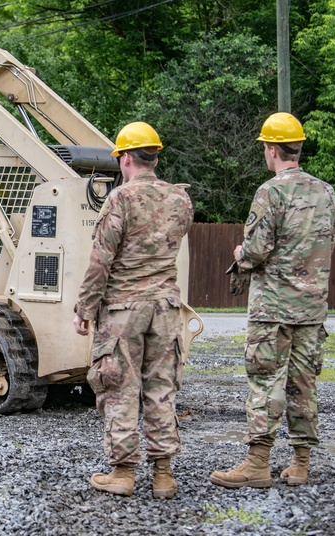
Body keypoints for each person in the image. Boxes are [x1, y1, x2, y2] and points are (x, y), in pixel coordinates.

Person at [210, 112, 335, 489]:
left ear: (271, 149)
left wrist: (240, 252)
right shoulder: (326, 192)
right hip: (312, 307)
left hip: (273, 307)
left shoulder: (271, 192)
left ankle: (257, 463)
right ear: (297, 148)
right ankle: (300, 464)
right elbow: (325, 243)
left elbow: (255, 251)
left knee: (266, 381)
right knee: (304, 383)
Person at [74, 121, 194, 499]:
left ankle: (123, 473)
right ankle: (163, 476)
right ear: (154, 156)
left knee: (120, 387)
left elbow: (101, 260)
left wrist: (85, 307)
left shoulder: (120, 199)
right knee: (161, 388)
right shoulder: (180, 199)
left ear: (125, 158)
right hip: (166, 309)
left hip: (125, 310)